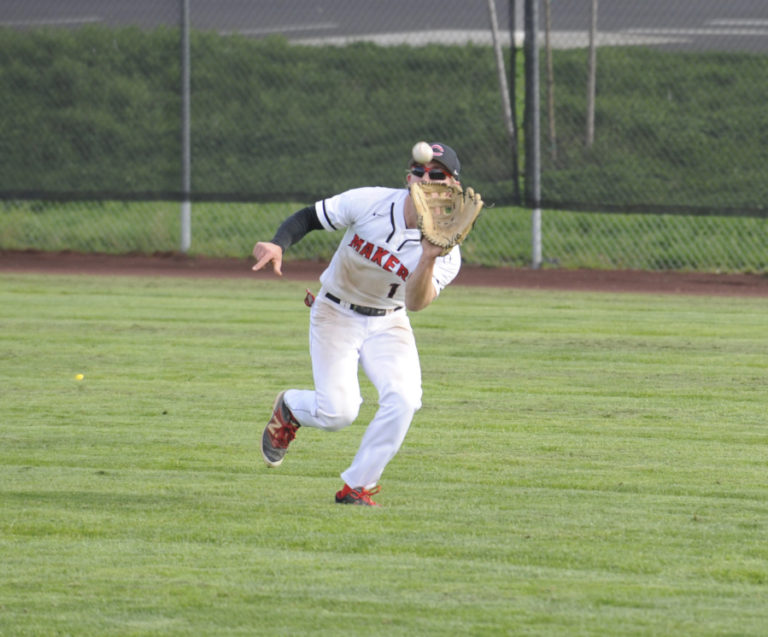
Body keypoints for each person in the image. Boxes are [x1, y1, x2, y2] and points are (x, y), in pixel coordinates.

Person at [251, 142, 464, 506]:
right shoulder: (372, 202)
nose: (426, 178)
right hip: (335, 312)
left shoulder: (448, 252)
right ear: (408, 178)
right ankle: (290, 407)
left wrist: (428, 257)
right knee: (338, 413)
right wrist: (278, 244)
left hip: (390, 321)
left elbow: (415, 303)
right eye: (419, 171)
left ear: (453, 187)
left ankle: (358, 486)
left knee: (405, 399)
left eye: (437, 174)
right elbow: (309, 217)